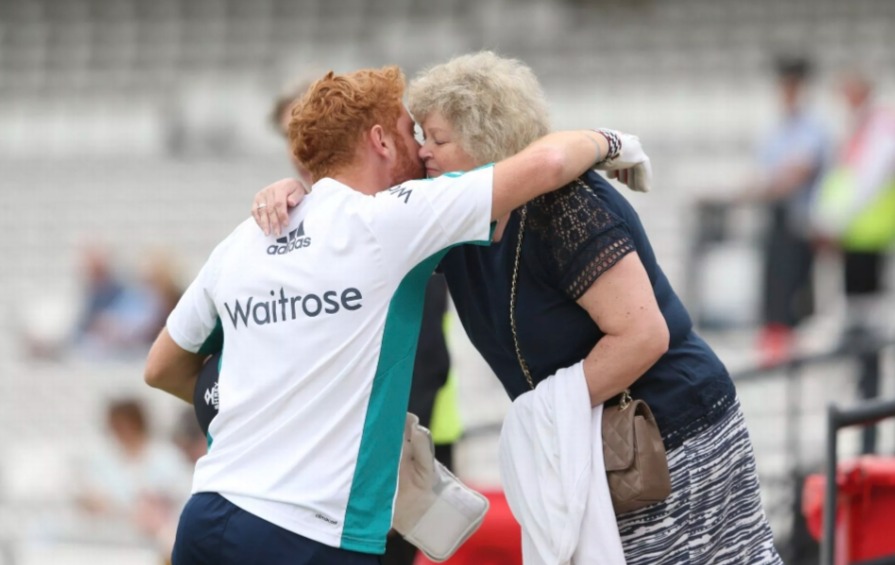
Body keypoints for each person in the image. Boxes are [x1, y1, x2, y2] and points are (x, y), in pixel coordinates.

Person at [255, 51, 781, 564]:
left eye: (438, 138)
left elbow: (643, 336)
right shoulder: (451, 220)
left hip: (670, 429)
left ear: (490, 143)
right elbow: (356, 217)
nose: (424, 153)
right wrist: (299, 192)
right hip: (598, 446)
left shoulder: (568, 205)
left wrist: (542, 413)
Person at [144, 64, 645, 565]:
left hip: (208, 515)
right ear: (381, 141)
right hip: (310, 534)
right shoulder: (392, 219)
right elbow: (551, 160)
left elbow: (160, 366)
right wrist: (612, 141)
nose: (422, 147)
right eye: (411, 131)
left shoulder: (244, 239)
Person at [747, 56, 830, 366]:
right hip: (777, 217)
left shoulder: (814, 127)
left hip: (802, 221)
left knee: (796, 290)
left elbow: (799, 171)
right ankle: (776, 341)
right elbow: (766, 173)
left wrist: (763, 188)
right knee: (774, 286)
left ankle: (792, 342)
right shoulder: (775, 128)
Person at [811, 67, 895, 343]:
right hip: (856, 229)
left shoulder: (879, 124)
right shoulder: (858, 124)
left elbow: (869, 178)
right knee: (857, 308)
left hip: (867, 229)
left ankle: (869, 381)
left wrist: (836, 220)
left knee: (866, 313)